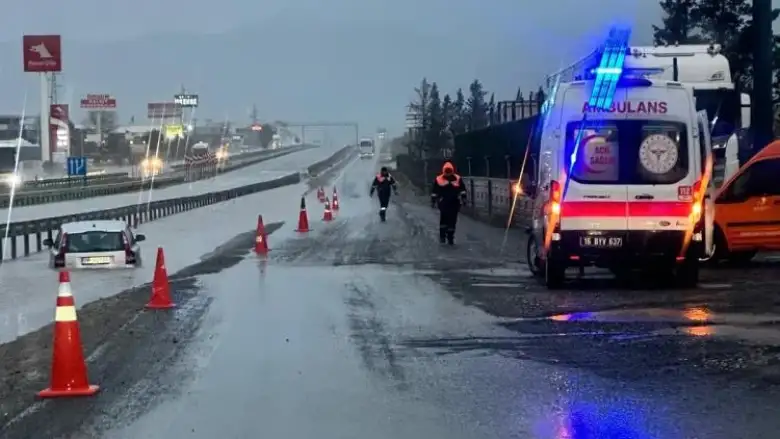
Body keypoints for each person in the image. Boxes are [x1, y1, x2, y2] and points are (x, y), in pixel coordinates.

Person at [430, 161, 467, 245]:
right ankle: (442, 236)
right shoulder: (439, 179)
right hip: (443, 202)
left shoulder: (457, 178)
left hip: (454, 202)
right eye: (447, 171)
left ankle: (450, 237)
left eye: (449, 171)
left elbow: (462, 190)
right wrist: (433, 201)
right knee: (444, 219)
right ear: (443, 170)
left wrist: (464, 199)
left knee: (452, 221)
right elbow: (434, 191)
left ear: (452, 170)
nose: (448, 173)